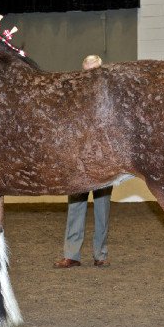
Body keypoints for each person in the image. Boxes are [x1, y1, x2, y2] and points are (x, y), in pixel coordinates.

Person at [54, 55, 112, 268]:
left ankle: (101, 254)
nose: (90, 75)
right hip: (78, 160)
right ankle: (72, 254)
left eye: (94, 71)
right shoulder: (73, 97)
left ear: (101, 70)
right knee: (76, 206)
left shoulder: (110, 97)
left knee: (102, 208)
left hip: (104, 159)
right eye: (86, 71)